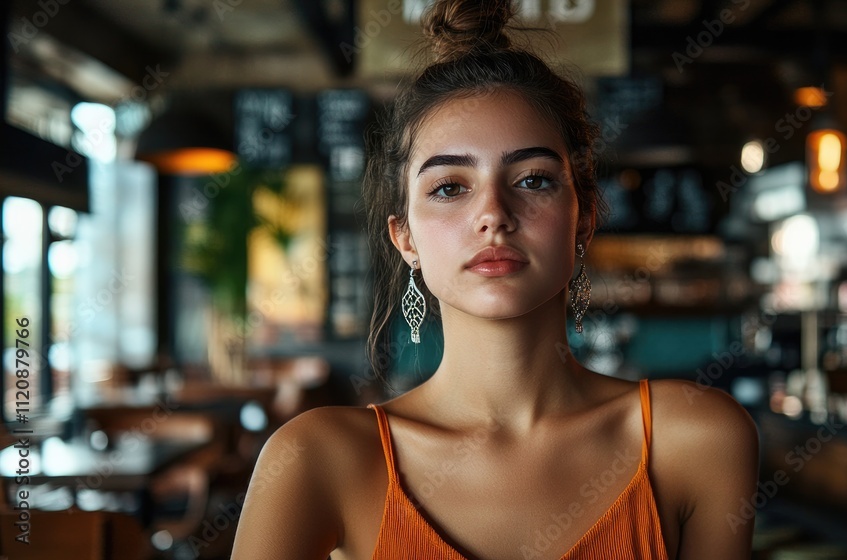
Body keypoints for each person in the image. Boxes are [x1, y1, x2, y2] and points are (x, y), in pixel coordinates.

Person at [231, 0, 759, 558]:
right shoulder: (319, 457)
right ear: (404, 237)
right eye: (450, 187)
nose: (493, 214)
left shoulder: (695, 439)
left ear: (585, 217)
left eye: (532, 180)